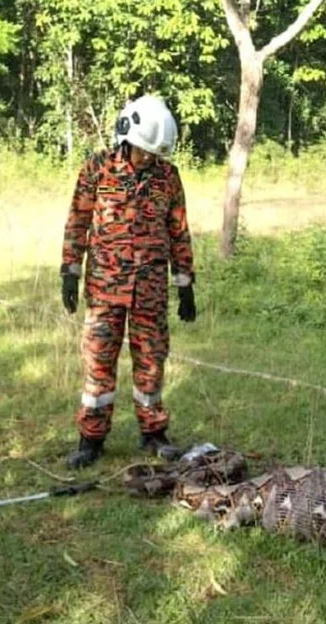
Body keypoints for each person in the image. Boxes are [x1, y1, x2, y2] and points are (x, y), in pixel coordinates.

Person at [60, 94, 197, 469]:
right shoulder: (97, 169)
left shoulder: (168, 177)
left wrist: (185, 282)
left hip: (150, 289)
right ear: (128, 138)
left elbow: (178, 230)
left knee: (151, 362)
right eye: (144, 152)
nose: (149, 159)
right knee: (98, 363)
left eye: (154, 154)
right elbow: (77, 221)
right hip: (105, 288)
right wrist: (69, 270)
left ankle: (153, 433)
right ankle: (91, 439)